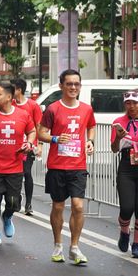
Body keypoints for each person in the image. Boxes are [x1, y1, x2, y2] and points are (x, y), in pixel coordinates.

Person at [37, 69, 96, 265]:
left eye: (76, 84)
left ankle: (75, 247)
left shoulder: (86, 109)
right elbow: (41, 133)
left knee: (78, 206)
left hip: (78, 166)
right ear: (61, 85)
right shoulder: (53, 109)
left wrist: (90, 141)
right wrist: (55, 138)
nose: (73, 87)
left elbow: (91, 126)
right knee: (58, 206)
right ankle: (58, 245)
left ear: (80, 86)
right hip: (57, 165)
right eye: (69, 84)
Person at [0, 82, 36, 246]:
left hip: (14, 166)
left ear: (9, 97)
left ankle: (7, 216)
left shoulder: (23, 115)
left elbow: (32, 131)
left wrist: (29, 143)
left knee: (13, 202)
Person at [111, 90, 138, 259]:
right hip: (126, 166)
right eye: (128, 103)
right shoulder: (118, 122)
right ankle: (124, 232)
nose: (132, 106)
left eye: (135, 103)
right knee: (127, 207)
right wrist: (118, 138)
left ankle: (137, 244)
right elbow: (114, 149)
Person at [11, 78, 43, 215]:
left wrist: (39, 145)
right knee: (15, 174)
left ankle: (28, 203)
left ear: (19, 90)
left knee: (27, 172)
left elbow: (39, 126)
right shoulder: (10, 104)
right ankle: (17, 197)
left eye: (12, 89)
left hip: (28, 145)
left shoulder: (33, 105)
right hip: (13, 145)